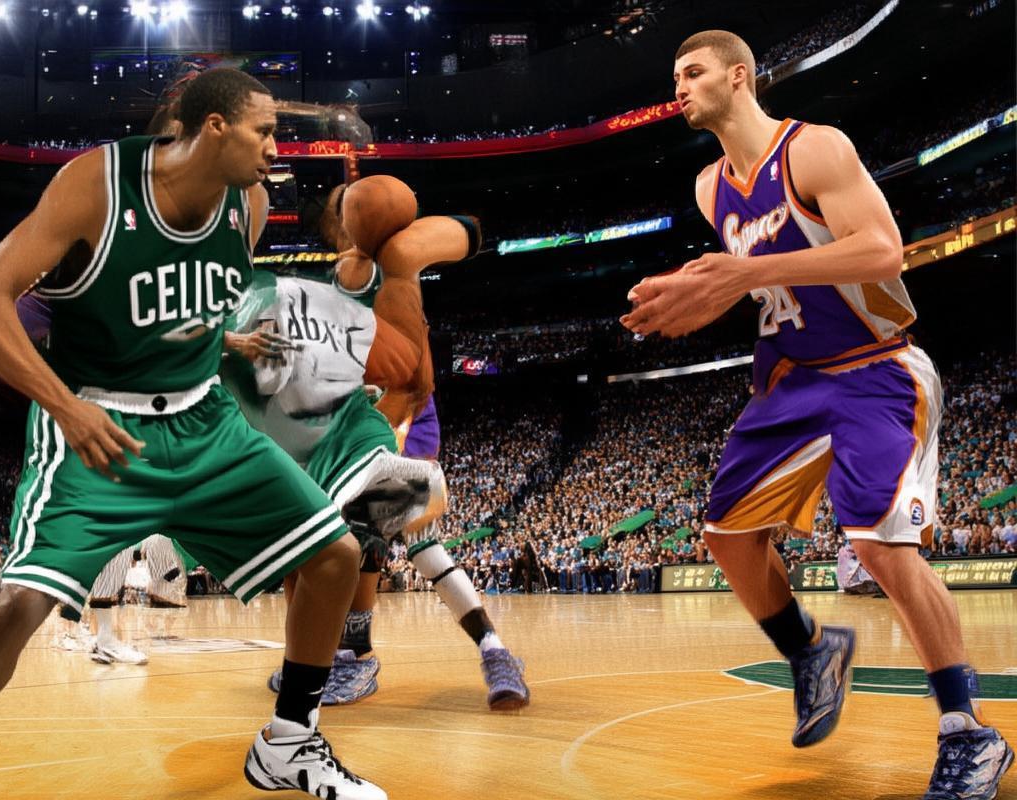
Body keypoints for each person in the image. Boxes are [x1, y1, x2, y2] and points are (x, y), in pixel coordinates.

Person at [0, 68, 385, 800]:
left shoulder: (248, 203)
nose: (279, 148)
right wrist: (64, 407)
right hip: (99, 424)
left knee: (336, 555)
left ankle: (288, 743)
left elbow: (184, 318)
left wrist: (250, 355)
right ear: (214, 127)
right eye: (265, 131)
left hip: (203, 423)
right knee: (20, 605)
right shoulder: (96, 184)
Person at [620, 30, 1012, 799]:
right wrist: (706, 290)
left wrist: (743, 274)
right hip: (791, 381)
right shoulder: (709, 189)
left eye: (693, 72)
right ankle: (811, 653)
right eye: (675, 76)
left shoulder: (814, 149)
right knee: (727, 537)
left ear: (739, 76)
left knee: (878, 543)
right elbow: (759, 280)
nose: (679, 86)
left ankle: (969, 731)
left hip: (873, 367)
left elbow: (882, 252)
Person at [230, 178, 528, 710]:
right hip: (349, 427)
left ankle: (365, 655)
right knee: (335, 540)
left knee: (382, 529)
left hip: (400, 418)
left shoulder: (395, 268)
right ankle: (333, 654)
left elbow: (415, 381)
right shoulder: (334, 282)